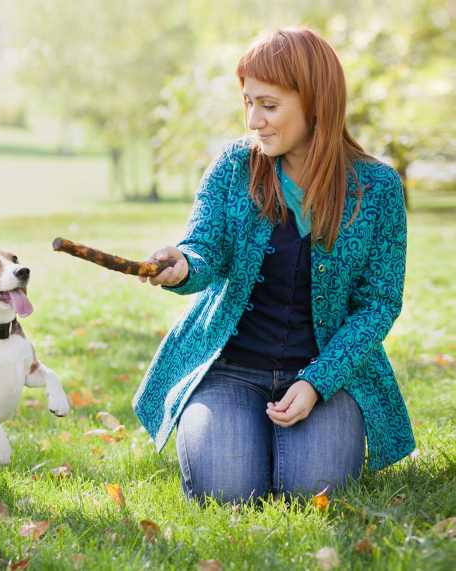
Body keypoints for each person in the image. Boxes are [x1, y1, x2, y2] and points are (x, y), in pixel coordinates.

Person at [133, 27, 414, 503]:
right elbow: (204, 248)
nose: (254, 120)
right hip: (231, 369)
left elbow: (379, 304)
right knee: (226, 491)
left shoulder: (379, 189)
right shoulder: (233, 167)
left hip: (327, 374)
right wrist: (182, 265)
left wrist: (317, 381)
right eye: (247, 103)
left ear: (315, 102)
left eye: (269, 105)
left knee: (312, 493)